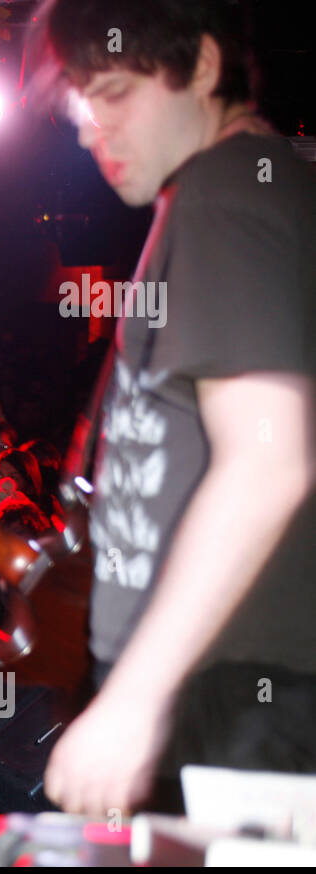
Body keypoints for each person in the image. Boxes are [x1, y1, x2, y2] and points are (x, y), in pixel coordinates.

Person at [29, 0, 316, 815]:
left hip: (228, 699)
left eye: (115, 92)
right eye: (82, 103)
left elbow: (270, 458)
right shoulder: (250, 183)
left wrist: (133, 701)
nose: (91, 128)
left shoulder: (226, 192)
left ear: (202, 69)